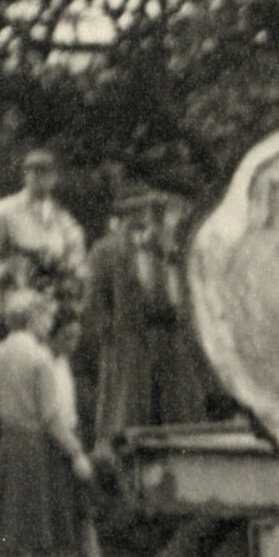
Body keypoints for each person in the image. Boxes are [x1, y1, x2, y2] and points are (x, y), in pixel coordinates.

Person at [82, 185, 209, 461]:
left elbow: (186, 298)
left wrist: (168, 256)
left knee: (178, 420)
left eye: (154, 211)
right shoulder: (106, 251)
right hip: (130, 348)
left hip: (170, 345)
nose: (149, 217)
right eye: (141, 211)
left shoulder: (170, 249)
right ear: (126, 216)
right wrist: (114, 336)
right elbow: (93, 305)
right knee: (127, 422)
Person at [0, 291, 93, 557]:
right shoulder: (39, 358)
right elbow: (52, 418)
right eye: (46, 318)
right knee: (32, 524)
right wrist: (76, 452)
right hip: (34, 448)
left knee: (9, 522)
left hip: (8, 444)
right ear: (32, 319)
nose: (48, 324)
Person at [44, 310, 113, 557]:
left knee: (85, 514)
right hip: (55, 444)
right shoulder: (43, 364)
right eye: (66, 336)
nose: (72, 343)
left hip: (72, 435)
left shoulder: (63, 363)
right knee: (61, 514)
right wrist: (74, 453)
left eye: (76, 337)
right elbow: (50, 417)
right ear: (52, 334)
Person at [0, 147, 89, 318]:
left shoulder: (62, 218)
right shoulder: (5, 211)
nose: (38, 178)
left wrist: (70, 274)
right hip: (16, 309)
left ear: (55, 177)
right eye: (32, 171)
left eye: (45, 172)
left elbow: (78, 261)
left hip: (54, 310)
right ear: (25, 176)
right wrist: (8, 271)